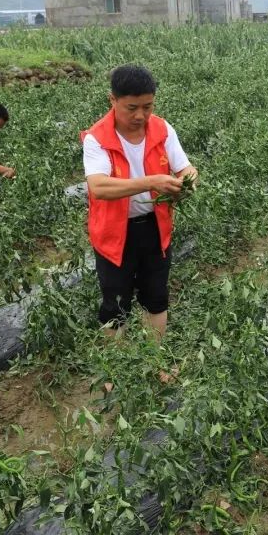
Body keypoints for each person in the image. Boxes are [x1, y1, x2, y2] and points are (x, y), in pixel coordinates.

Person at [82, 65, 198, 345]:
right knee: (116, 304)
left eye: (147, 106)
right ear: (113, 100)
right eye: (131, 107)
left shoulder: (162, 128)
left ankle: (154, 360)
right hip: (114, 234)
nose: (140, 115)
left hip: (155, 228)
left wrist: (187, 184)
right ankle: (117, 366)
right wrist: (151, 182)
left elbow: (186, 169)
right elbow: (98, 186)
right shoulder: (97, 138)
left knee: (155, 296)